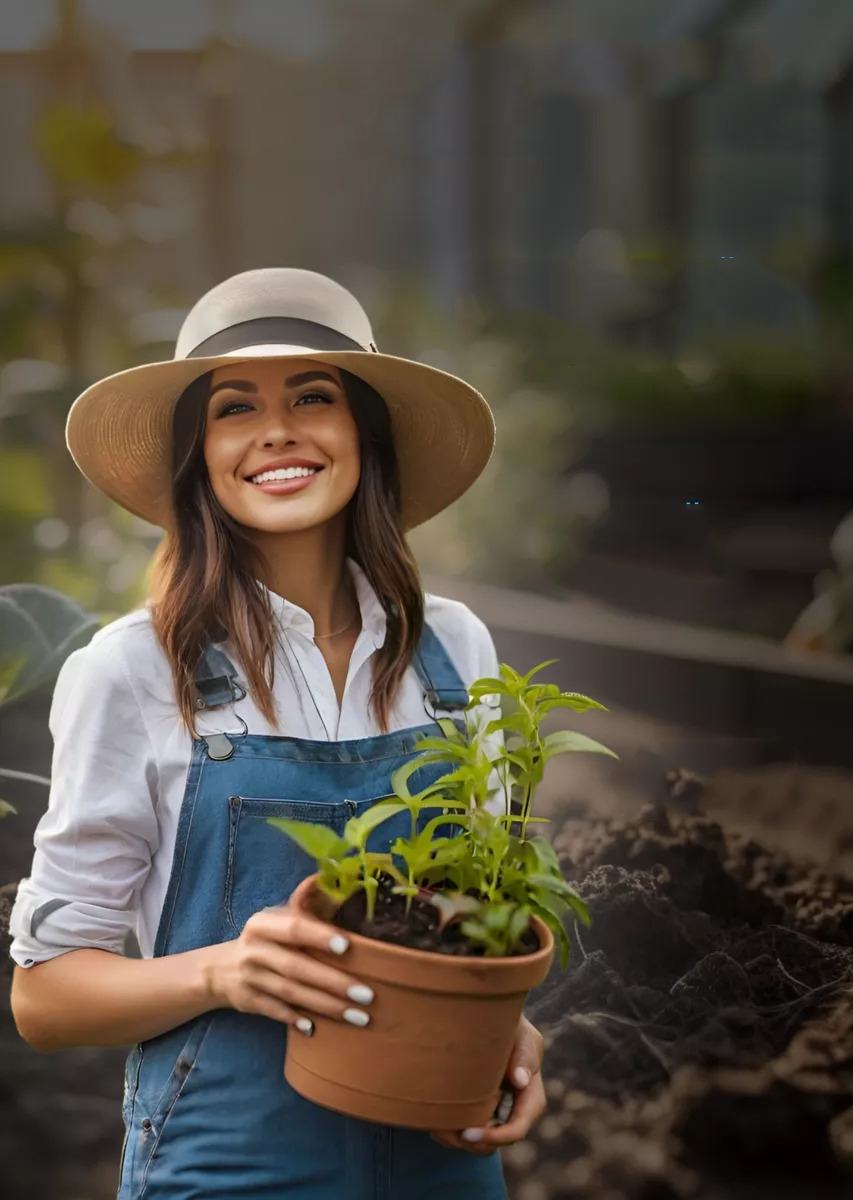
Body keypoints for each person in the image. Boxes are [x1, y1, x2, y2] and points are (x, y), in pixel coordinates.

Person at [8, 268, 546, 1198]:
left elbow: (479, 918)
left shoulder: (454, 650)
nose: (278, 430)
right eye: (234, 408)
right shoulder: (135, 670)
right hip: (225, 1162)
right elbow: (45, 998)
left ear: (363, 435)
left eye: (313, 397)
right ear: (199, 453)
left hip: (441, 1157)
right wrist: (225, 970)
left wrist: (507, 1028)